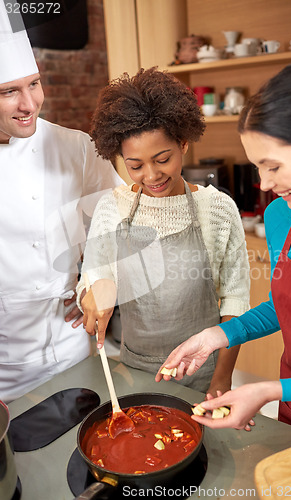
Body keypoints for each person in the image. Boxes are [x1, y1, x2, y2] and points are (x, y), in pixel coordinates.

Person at [156, 62, 291, 435]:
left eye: (273, 167)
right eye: (258, 169)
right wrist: (217, 336)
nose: (266, 184)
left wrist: (268, 390)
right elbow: (284, 306)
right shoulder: (281, 217)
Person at [76, 67, 250, 395]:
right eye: (135, 165)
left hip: (203, 369)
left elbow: (235, 301)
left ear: (183, 143)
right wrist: (95, 290)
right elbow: (92, 280)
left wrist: (222, 378)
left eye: (162, 158)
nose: (152, 175)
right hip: (136, 370)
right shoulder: (112, 208)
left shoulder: (218, 209)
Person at [0, 7, 124, 403]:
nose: (29, 103)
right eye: (9, 92)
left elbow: (117, 218)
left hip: (73, 344)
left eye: (34, 84)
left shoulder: (75, 146)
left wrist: (97, 277)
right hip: (6, 362)